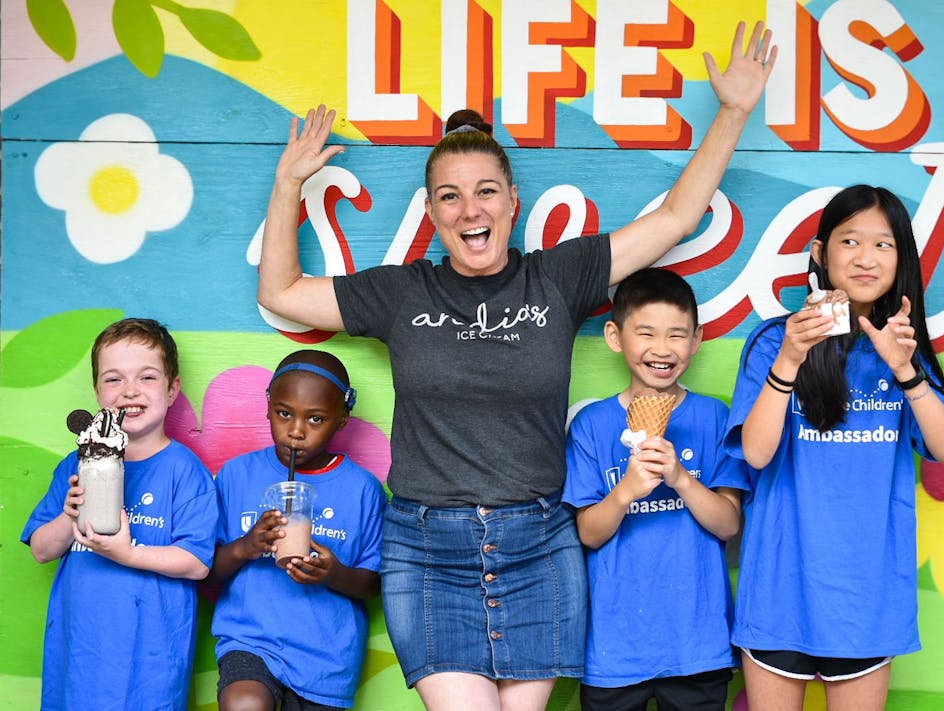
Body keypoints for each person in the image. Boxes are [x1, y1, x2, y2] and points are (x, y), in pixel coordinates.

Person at [257, 21, 775, 710]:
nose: (470, 209)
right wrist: (288, 182)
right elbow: (281, 293)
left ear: (512, 202)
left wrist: (735, 111)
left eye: (485, 191)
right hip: (428, 546)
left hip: (537, 543)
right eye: (449, 195)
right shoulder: (404, 290)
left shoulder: (558, 278)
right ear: (434, 213)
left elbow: (678, 216)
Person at [723, 185, 944, 711]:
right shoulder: (773, 342)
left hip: (865, 599)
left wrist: (904, 369)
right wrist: (789, 359)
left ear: (901, 259)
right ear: (819, 254)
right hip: (781, 589)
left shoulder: (904, 349)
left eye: (883, 244)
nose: (865, 257)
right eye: (849, 240)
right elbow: (757, 454)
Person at [563, 268, 747, 711]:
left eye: (677, 335)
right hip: (614, 647)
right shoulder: (592, 425)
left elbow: (729, 524)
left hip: (697, 644)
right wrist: (626, 490)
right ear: (615, 335)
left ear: (697, 340)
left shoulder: (713, 417)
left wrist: (681, 479)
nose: (662, 350)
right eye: (646, 333)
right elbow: (588, 533)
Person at [21, 318, 218, 710]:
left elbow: (197, 563)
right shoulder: (75, 464)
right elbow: (41, 549)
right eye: (113, 380)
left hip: (151, 660)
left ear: (172, 388)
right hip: (80, 655)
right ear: (97, 392)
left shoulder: (185, 470)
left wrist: (129, 555)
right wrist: (68, 515)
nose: (129, 391)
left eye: (147, 377)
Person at [208, 349, 386, 711]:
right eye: (284, 413)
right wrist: (246, 546)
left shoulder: (362, 489)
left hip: (327, 659)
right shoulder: (236, 475)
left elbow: (374, 584)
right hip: (250, 641)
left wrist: (334, 575)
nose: (296, 431)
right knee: (244, 703)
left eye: (316, 419)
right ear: (269, 406)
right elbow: (206, 570)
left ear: (341, 420)